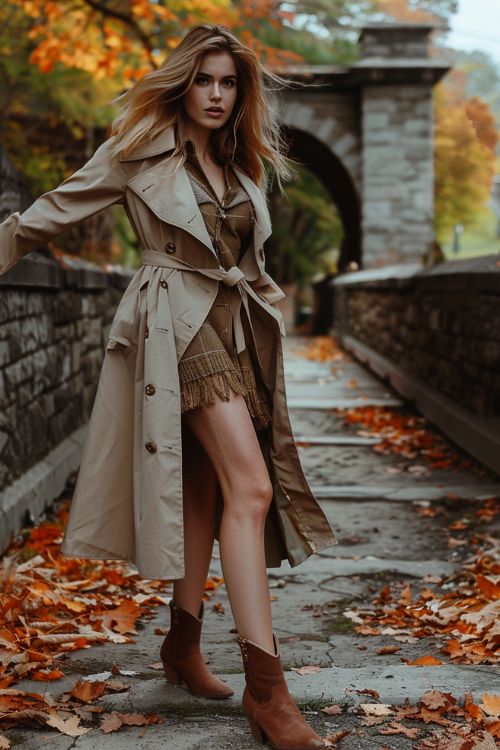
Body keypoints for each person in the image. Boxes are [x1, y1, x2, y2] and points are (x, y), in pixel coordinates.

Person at [0, 25, 337, 749]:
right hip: (172, 331)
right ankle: (267, 690)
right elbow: (46, 215)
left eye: (228, 83)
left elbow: (245, 261)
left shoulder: (240, 166)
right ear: (182, 83)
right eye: (204, 80)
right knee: (251, 488)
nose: (216, 95)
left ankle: (181, 646)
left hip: (235, 329)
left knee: (209, 491)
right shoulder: (136, 154)